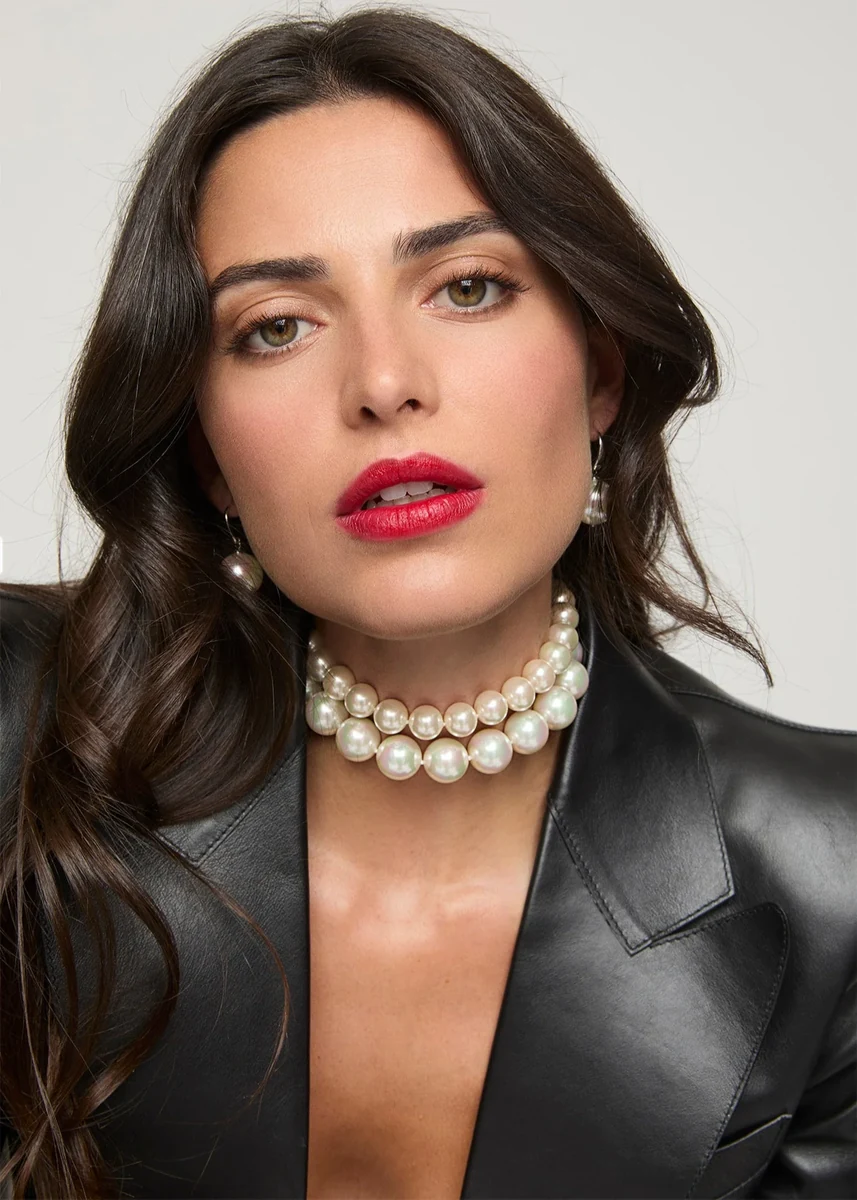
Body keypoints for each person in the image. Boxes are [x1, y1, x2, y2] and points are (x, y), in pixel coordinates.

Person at [1, 8, 854, 1199]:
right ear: (206, 455)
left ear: (599, 370)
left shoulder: (832, 865)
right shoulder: (27, 726)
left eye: (464, 287)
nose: (385, 385)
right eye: (276, 326)